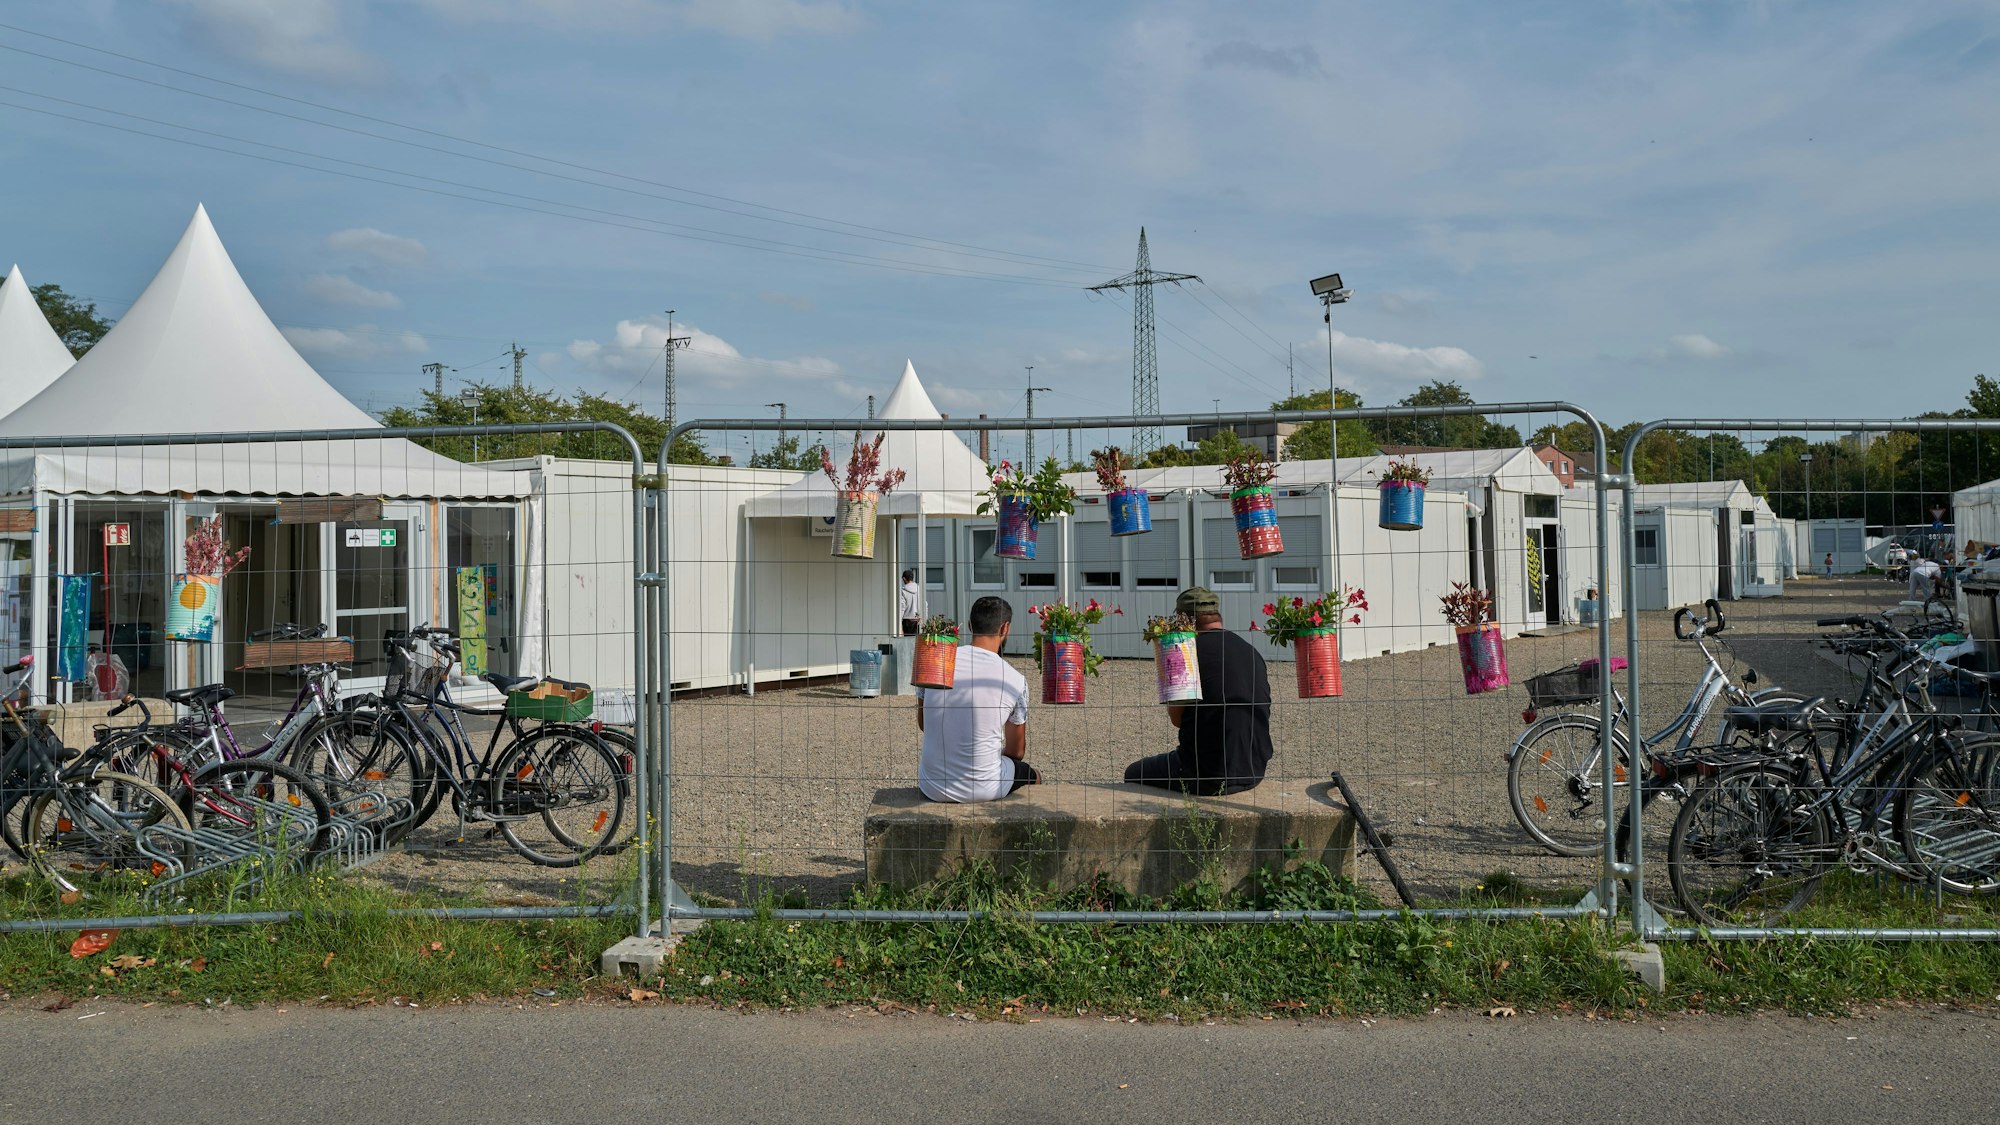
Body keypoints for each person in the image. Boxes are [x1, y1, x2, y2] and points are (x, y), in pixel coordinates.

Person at [1123, 587, 1273, 796]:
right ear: (1217, 615)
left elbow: (1176, 719)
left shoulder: (1183, 653)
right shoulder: (1250, 650)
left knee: (1133, 773)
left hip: (1204, 774)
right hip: (1253, 771)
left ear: (1181, 620)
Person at [915, 595, 1039, 802]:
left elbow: (924, 723)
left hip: (932, 785)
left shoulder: (937, 664)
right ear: (1005, 628)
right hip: (985, 788)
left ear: (971, 625)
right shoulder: (1015, 680)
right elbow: (1016, 751)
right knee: (1032, 775)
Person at [898, 569, 920, 636]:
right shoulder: (919, 589)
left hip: (907, 620)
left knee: (907, 642)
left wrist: (899, 623)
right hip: (918, 619)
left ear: (904, 578)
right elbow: (925, 605)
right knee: (917, 643)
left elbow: (902, 607)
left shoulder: (903, 591)